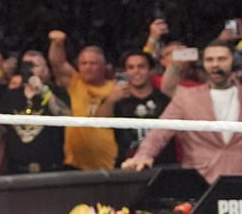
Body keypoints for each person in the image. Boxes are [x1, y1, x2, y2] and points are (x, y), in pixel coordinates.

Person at [123, 43, 242, 185]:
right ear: (203, 63)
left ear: (233, 61)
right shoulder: (186, 97)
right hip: (200, 181)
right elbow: (160, 131)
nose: (215, 64)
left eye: (221, 59)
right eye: (209, 60)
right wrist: (143, 155)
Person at [47, 30, 117, 171]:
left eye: (93, 63)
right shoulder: (76, 82)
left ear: (103, 66)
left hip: (109, 163)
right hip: (75, 164)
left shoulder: (116, 89)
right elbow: (58, 64)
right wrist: (57, 43)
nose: (87, 67)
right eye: (83, 63)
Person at [98, 50, 171, 165]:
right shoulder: (117, 99)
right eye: (131, 67)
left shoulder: (164, 100)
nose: (136, 71)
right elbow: (100, 122)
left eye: (141, 67)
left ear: (152, 71)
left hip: (162, 165)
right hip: (127, 165)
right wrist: (110, 100)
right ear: (125, 72)